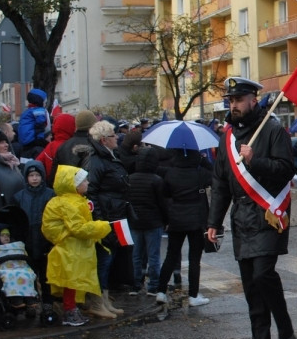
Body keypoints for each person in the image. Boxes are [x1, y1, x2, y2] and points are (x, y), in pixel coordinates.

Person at [206, 77, 297, 339]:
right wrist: (214, 221)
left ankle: (285, 330)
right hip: (241, 218)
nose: (233, 105)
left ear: (253, 100)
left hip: (268, 214)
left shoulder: (273, 130)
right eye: (231, 100)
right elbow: (220, 183)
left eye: (238, 100)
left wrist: (254, 160)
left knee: (262, 275)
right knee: (250, 284)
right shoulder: (227, 138)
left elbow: (286, 170)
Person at [41, 165, 113, 327]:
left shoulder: (73, 200)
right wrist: (102, 226)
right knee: (71, 281)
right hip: (70, 248)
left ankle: (72, 309)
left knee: (74, 280)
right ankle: (70, 311)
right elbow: (78, 228)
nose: (88, 183)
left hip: (73, 247)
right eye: (84, 180)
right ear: (74, 185)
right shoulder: (69, 203)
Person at [79, 120, 132, 318]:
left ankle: (105, 299)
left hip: (115, 213)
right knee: (103, 259)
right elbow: (91, 193)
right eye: (112, 135)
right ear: (103, 140)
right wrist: (100, 219)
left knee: (111, 258)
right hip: (107, 217)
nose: (116, 137)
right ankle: (97, 301)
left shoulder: (109, 157)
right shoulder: (96, 160)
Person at [156, 148, 212, 306]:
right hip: (196, 219)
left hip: (176, 218)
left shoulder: (170, 172)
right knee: (195, 259)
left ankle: (161, 291)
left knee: (171, 255)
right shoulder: (200, 173)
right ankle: (193, 295)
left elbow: (166, 193)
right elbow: (215, 175)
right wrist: (204, 160)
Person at [126, 147, 169, 297]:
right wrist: (166, 220)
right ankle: (153, 286)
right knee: (153, 255)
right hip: (153, 221)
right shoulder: (156, 180)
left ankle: (136, 284)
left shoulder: (130, 179)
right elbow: (162, 203)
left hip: (135, 222)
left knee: (136, 255)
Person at [12, 161, 55, 307]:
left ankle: (48, 304)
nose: (35, 178)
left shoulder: (50, 194)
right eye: (31, 175)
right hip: (27, 240)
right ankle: (31, 303)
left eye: (37, 175)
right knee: (28, 274)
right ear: (26, 177)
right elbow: (16, 220)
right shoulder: (19, 197)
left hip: (45, 241)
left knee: (46, 275)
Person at [0, 228, 40, 311]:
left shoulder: (16, 247)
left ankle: (30, 298)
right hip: (4, 269)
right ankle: (16, 299)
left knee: (28, 274)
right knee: (10, 276)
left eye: (8, 235)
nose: (6, 237)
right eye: (2, 235)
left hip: (19, 267)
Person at [36, 113, 75, 186]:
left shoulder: (50, 146)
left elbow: (37, 163)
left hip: (51, 184)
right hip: (70, 186)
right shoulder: (73, 145)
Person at [18, 88, 50, 159]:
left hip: (25, 139)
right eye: (45, 101)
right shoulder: (39, 110)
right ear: (40, 100)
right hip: (32, 138)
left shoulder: (27, 111)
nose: (45, 103)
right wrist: (41, 138)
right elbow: (40, 123)